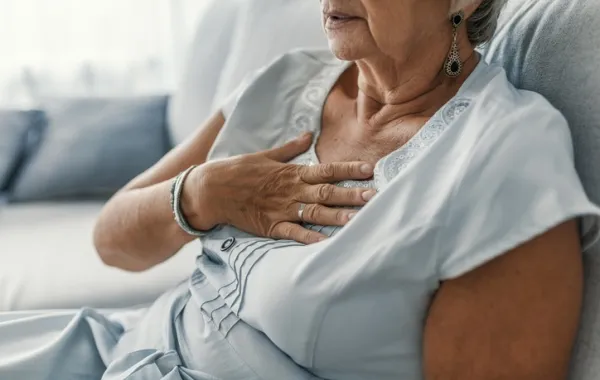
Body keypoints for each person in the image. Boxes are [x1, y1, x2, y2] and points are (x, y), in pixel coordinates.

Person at [1, 0, 599, 379]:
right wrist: (203, 192)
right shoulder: (288, 79)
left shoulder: (502, 154)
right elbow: (113, 242)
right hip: (116, 348)